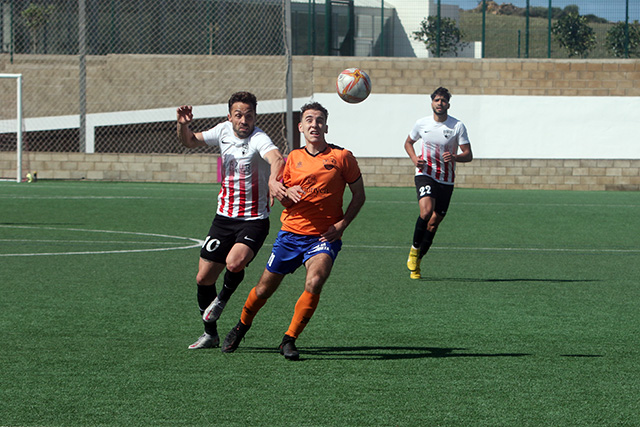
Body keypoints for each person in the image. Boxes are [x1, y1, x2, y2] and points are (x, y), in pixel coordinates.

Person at [221, 102, 366, 360]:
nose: (314, 124)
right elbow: (282, 196)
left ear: (326, 126)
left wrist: (342, 225)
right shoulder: (292, 160)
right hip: (290, 235)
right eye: (309, 120)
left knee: (315, 280)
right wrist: (286, 193)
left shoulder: (343, 157)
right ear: (301, 127)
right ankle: (241, 326)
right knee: (264, 289)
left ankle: (289, 339)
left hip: (323, 237)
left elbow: (359, 195)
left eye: (319, 120)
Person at [176, 91, 286, 349]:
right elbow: (190, 142)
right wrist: (183, 125)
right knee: (203, 278)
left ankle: (222, 300)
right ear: (230, 116)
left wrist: (273, 180)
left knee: (234, 263)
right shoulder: (223, 131)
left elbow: (277, 158)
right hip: (223, 218)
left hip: (254, 220)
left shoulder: (260, 138)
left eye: (249, 115)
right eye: (238, 115)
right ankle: (210, 334)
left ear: (255, 117)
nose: (243, 120)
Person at [404, 87, 473, 279]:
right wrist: (413, 158)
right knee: (426, 211)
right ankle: (414, 249)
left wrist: (455, 157)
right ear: (432, 102)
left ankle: (418, 261)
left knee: (434, 223)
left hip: (446, 179)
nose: (440, 103)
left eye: (443, 101)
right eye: (437, 100)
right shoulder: (421, 124)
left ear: (448, 105)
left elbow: (468, 155)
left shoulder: (457, 126)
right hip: (425, 173)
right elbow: (408, 143)